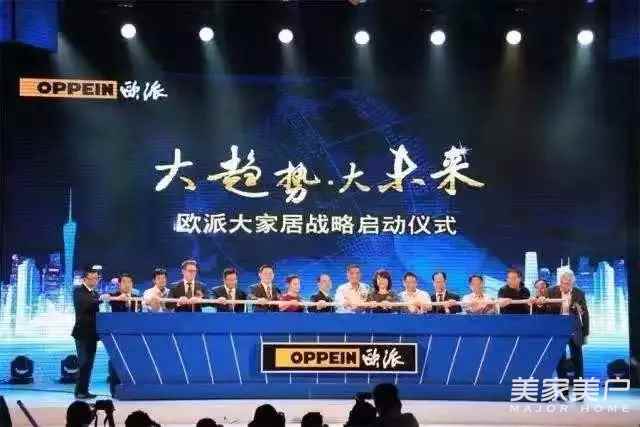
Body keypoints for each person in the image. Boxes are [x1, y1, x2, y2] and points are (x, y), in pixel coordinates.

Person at [542, 270, 589, 385]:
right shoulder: (551, 291)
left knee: (577, 358)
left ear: (573, 283)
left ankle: (579, 387)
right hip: (557, 329)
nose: (564, 286)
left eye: (567, 283)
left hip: (574, 328)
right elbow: (542, 308)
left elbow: (584, 313)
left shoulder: (579, 293)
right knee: (559, 358)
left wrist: (585, 332)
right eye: (562, 283)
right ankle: (563, 388)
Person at [71, 266, 107, 399]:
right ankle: (79, 391)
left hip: (92, 334)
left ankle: (84, 390)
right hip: (82, 333)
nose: (95, 281)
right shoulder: (78, 291)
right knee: (83, 362)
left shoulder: (95, 293)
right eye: (93, 278)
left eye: (97, 278)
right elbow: (86, 304)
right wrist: (101, 299)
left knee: (89, 364)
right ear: (85, 279)